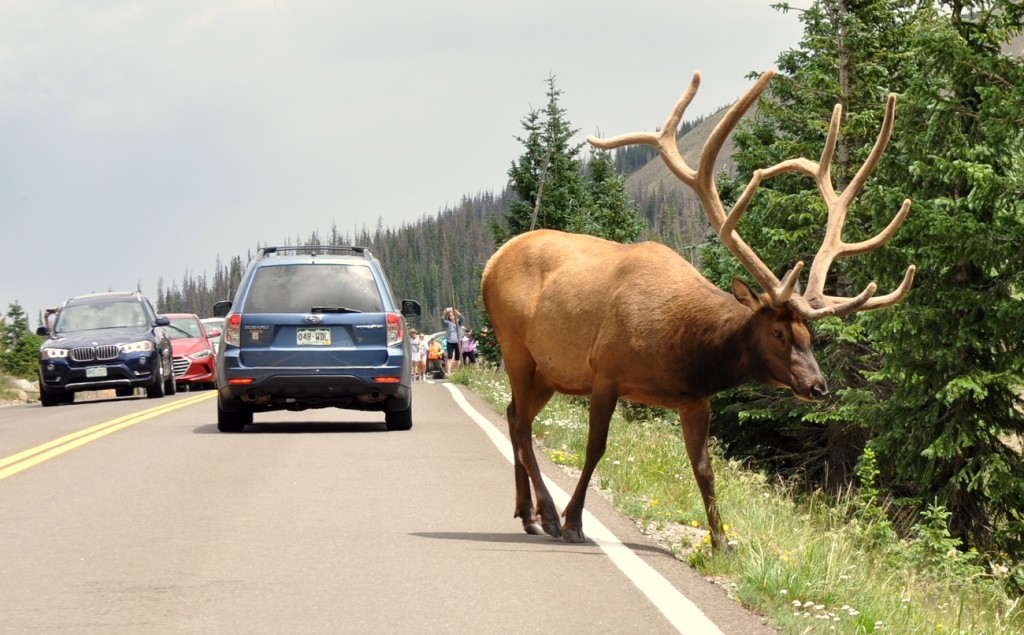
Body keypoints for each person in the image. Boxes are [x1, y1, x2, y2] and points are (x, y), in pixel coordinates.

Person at [442, 307, 463, 374]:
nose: (451, 316)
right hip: (450, 341)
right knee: (449, 357)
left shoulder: (458, 322)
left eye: (452, 315)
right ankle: (449, 372)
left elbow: (462, 318)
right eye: (450, 315)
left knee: (457, 357)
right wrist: (444, 313)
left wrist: (456, 311)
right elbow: (442, 320)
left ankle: (456, 371)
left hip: (458, 341)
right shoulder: (447, 323)